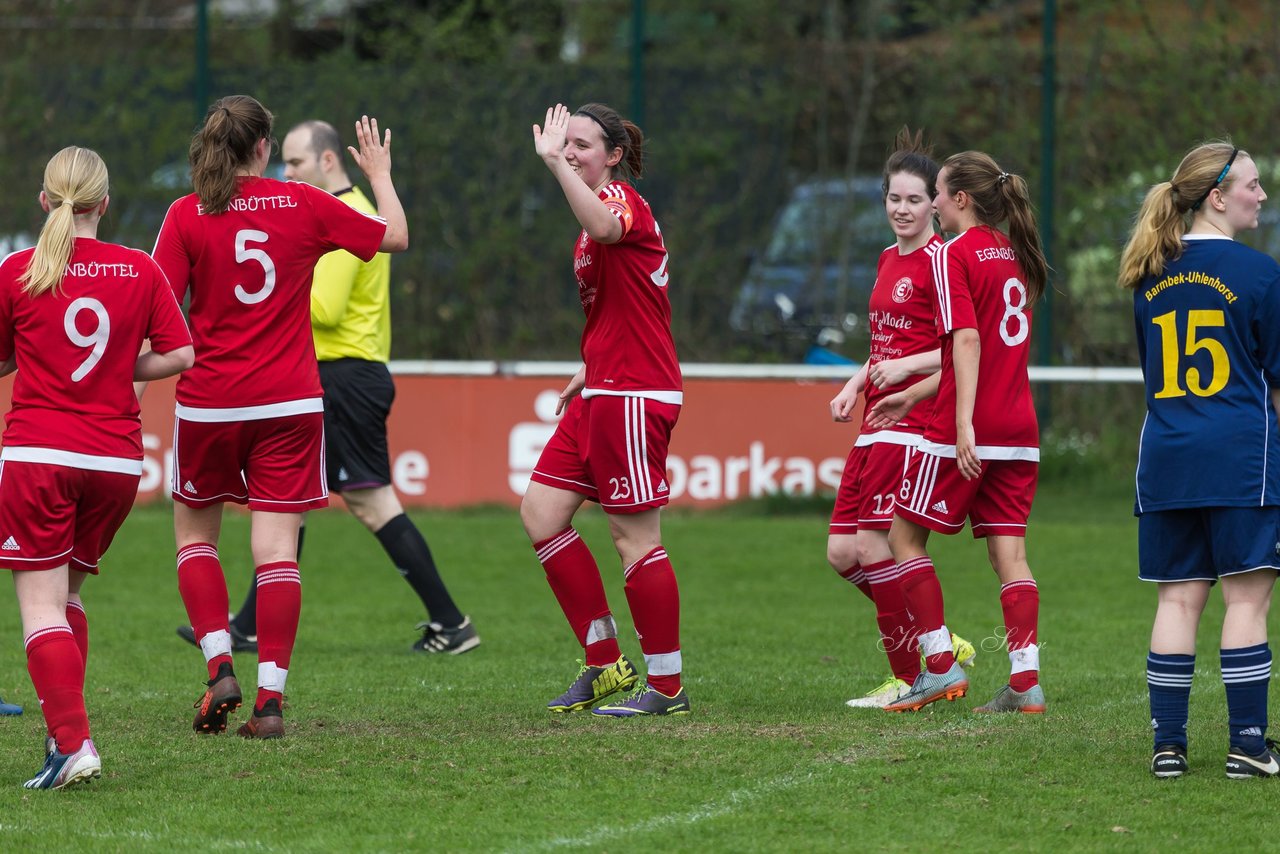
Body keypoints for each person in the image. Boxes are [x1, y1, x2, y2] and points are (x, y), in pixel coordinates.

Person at [153, 95, 408, 739]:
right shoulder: (303, 202)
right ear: (264, 149)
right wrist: (378, 176)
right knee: (277, 552)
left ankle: (219, 668)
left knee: (195, 539)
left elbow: (157, 310)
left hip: (210, 401)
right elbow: (396, 238)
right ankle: (270, 702)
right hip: (291, 403)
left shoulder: (186, 214)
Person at [174, 119, 478, 656]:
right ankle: (246, 624)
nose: (286, 172)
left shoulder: (335, 211)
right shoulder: (309, 208)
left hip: (340, 373)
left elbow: (326, 308)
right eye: (283, 161)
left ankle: (451, 621)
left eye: (296, 162)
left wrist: (247, 305)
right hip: (326, 374)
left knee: (370, 501)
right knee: (287, 502)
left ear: (329, 161)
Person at [0, 146, 194, 788]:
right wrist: (117, 368)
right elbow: (180, 355)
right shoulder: (139, 268)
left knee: (40, 609)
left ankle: (74, 742)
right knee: (70, 596)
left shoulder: (20, 270)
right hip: (113, 461)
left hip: (40, 456)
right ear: (104, 204)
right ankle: (64, 737)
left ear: (43, 200)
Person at [1118, 140, 1280, 779]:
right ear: (1216, 196)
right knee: (1246, 602)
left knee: (1178, 603)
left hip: (1167, 456)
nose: (1261, 195)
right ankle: (1247, 744)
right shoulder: (1262, 274)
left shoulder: (1148, 272)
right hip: (1242, 460)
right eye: (1252, 184)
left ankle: (1169, 747)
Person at [522, 102, 688, 716]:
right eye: (565, 144)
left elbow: (606, 230)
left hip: (636, 393)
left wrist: (553, 166)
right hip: (605, 388)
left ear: (613, 156)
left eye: (582, 145)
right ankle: (605, 663)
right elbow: (630, 305)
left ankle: (667, 686)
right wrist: (589, 364)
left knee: (634, 538)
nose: (569, 152)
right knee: (541, 512)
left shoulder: (620, 203)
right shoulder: (593, 211)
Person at [881, 151, 1049, 715]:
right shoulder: (1017, 254)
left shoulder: (952, 253)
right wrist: (916, 391)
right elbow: (988, 355)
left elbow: (969, 344)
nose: (928, 202)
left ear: (960, 199)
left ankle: (937, 666)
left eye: (936, 192)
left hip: (970, 427)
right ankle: (1026, 683)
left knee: (903, 539)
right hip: (1019, 428)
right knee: (1011, 556)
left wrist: (961, 426)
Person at [827, 129, 976, 709]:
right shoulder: (889, 258)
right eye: (895, 198)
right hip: (875, 417)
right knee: (843, 553)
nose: (903, 209)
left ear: (935, 204)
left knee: (874, 546)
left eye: (915, 199)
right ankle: (932, 636)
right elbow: (886, 343)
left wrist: (903, 372)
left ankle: (909, 673)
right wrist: (855, 381)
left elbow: (962, 344)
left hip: (915, 421)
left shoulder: (943, 261)